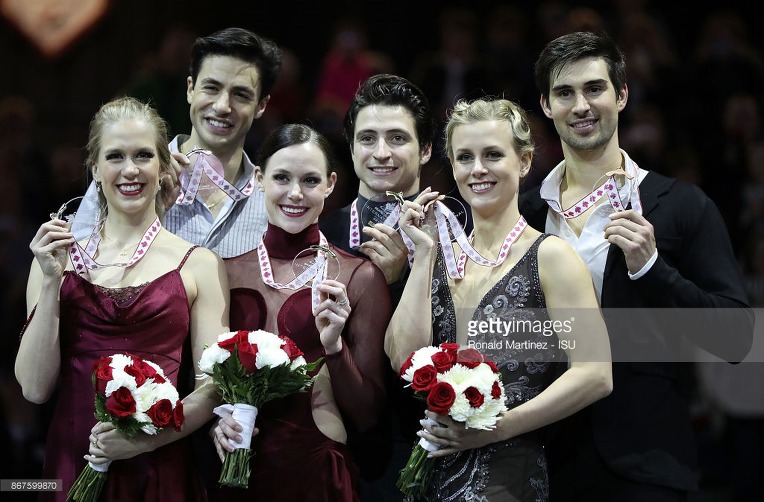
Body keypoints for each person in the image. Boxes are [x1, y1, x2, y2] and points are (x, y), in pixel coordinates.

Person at [519, 31, 754, 501]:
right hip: (539, 464)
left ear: (621, 95)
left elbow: (736, 337)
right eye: (565, 93)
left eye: (595, 88)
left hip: (648, 465)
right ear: (546, 106)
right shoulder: (524, 214)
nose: (581, 105)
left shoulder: (681, 206)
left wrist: (652, 270)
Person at [385, 97, 613, 501]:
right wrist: (422, 258)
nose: (477, 170)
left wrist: (498, 426)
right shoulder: (438, 259)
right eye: (464, 157)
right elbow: (404, 359)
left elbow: (595, 375)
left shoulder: (551, 256)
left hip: (508, 477)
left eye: (492, 154)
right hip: (429, 474)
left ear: (523, 162)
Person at [15, 96, 230, 501]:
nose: (130, 170)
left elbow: (213, 387)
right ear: (95, 168)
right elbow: (34, 388)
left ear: (163, 165)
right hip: (71, 462)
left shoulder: (199, 264)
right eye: (115, 156)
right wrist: (49, 281)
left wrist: (148, 442)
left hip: (161, 466)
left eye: (143, 155)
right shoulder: (56, 261)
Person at [213, 123, 392, 501]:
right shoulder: (223, 270)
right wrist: (216, 425)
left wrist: (334, 348)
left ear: (330, 184)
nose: (295, 194)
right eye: (281, 178)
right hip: (236, 469)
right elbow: (206, 384)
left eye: (310, 180)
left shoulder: (358, 277)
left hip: (317, 472)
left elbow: (367, 414)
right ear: (259, 178)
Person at [319, 73, 437, 500]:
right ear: (350, 149)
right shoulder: (320, 235)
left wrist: (401, 281)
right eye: (367, 138)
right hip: (338, 446)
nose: (381, 153)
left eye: (397, 139)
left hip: (435, 442)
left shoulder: (460, 233)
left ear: (425, 150)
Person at [72, 27, 283, 258]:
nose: (223, 106)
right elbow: (78, 272)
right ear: (191, 89)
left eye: (240, 95)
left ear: (261, 106)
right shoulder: (131, 178)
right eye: (211, 88)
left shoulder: (271, 198)